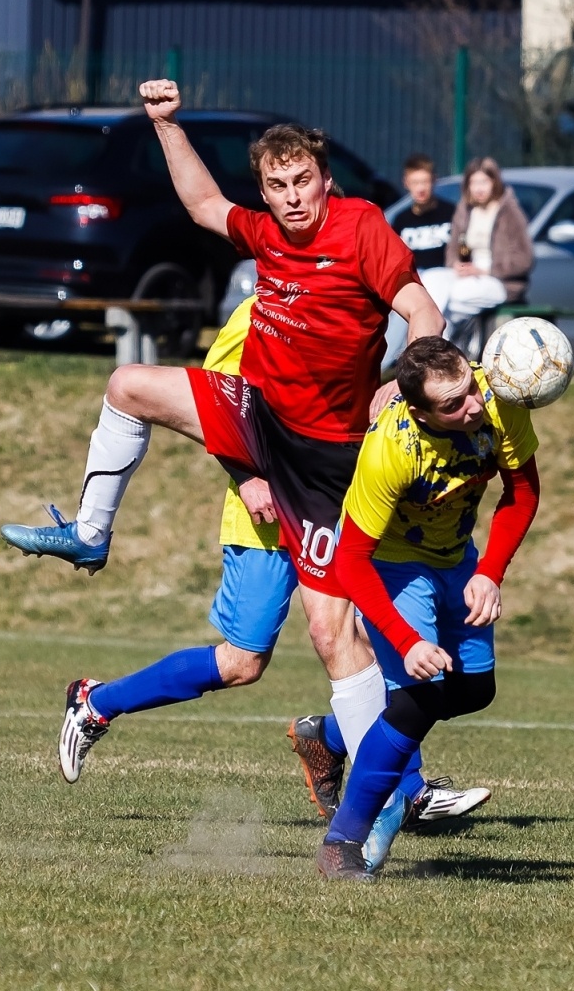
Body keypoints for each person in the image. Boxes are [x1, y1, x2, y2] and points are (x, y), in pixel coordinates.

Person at [0, 77, 445, 784]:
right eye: (278, 185)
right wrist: (167, 124)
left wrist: (405, 379)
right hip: (257, 434)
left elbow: (424, 310)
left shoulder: (361, 229)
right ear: (264, 193)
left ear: (326, 181)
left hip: (326, 463)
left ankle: (392, 788)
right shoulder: (264, 239)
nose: (293, 196)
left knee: (314, 641)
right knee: (127, 384)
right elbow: (206, 204)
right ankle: (90, 531)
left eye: (304, 180)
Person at [198, 293, 489, 824]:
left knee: (371, 649)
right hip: (271, 504)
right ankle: (97, 702)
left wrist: (395, 384)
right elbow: (217, 407)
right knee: (245, 661)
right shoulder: (254, 313)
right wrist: (245, 477)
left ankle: (373, 768)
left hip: (340, 493)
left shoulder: (356, 297)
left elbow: (427, 320)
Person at [315, 336, 540, 880]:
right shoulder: (390, 449)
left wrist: (489, 572)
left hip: (455, 557)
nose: (472, 407)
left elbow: (523, 490)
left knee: (474, 689)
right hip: (390, 565)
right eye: (453, 405)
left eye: (469, 389)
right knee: (420, 698)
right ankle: (342, 845)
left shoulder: (497, 399)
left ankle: (332, 737)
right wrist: (407, 638)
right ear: (418, 412)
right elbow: (350, 562)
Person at [421, 157, 533, 359]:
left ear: (494, 183)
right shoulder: (465, 209)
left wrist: (485, 270)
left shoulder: (509, 211)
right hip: (465, 273)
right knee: (430, 279)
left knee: (454, 298)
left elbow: (525, 260)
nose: (479, 188)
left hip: (498, 280)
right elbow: (452, 249)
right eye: (474, 183)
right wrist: (456, 265)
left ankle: (438, 353)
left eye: (484, 182)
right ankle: (433, 346)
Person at [382, 154, 456, 371]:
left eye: (424, 182)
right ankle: (389, 362)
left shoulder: (450, 212)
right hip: (413, 279)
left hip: (443, 277)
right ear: (406, 183)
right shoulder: (402, 219)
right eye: (415, 183)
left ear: (434, 180)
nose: (421, 189)